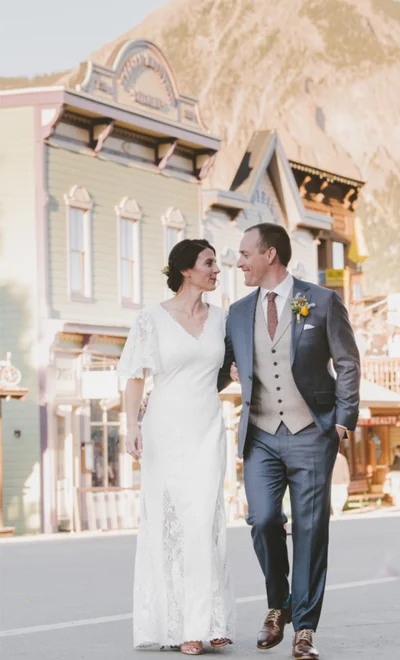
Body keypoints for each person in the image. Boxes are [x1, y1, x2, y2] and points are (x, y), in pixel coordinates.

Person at [219, 223, 360, 660]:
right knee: (261, 519)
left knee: (311, 531)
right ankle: (277, 605)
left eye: (245, 254)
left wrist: (342, 423)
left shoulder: (320, 301)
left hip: (312, 433)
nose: (238, 262)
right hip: (260, 435)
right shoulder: (238, 311)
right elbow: (222, 365)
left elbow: (348, 362)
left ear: (271, 255)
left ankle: (304, 629)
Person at [118, 239, 235, 656]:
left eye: (216, 264)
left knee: (205, 523)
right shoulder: (150, 318)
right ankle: (183, 625)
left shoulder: (224, 319)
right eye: (209, 263)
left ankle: (211, 620)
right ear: (187, 270)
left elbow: (231, 367)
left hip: (207, 427)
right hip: (164, 429)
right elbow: (134, 376)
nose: (216, 270)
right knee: (171, 528)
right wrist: (131, 424)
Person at [331, 450, 351, 516]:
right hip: (332, 482)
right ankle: (336, 510)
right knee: (333, 498)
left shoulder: (342, 458)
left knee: (343, 496)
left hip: (341, 482)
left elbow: (345, 470)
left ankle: (338, 508)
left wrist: (347, 480)